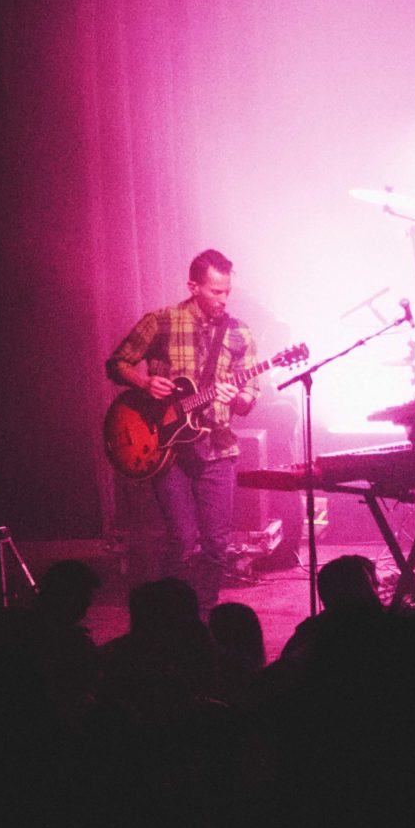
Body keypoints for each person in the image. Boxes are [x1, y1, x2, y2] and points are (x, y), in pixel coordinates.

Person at [105, 249, 260, 611]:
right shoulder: (161, 322)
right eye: (216, 292)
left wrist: (236, 397)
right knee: (182, 539)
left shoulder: (239, 332)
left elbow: (249, 398)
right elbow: (117, 363)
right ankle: (173, 612)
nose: (223, 299)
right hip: (168, 448)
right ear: (193, 287)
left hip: (217, 448)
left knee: (217, 544)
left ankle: (204, 614)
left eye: (227, 292)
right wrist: (144, 383)